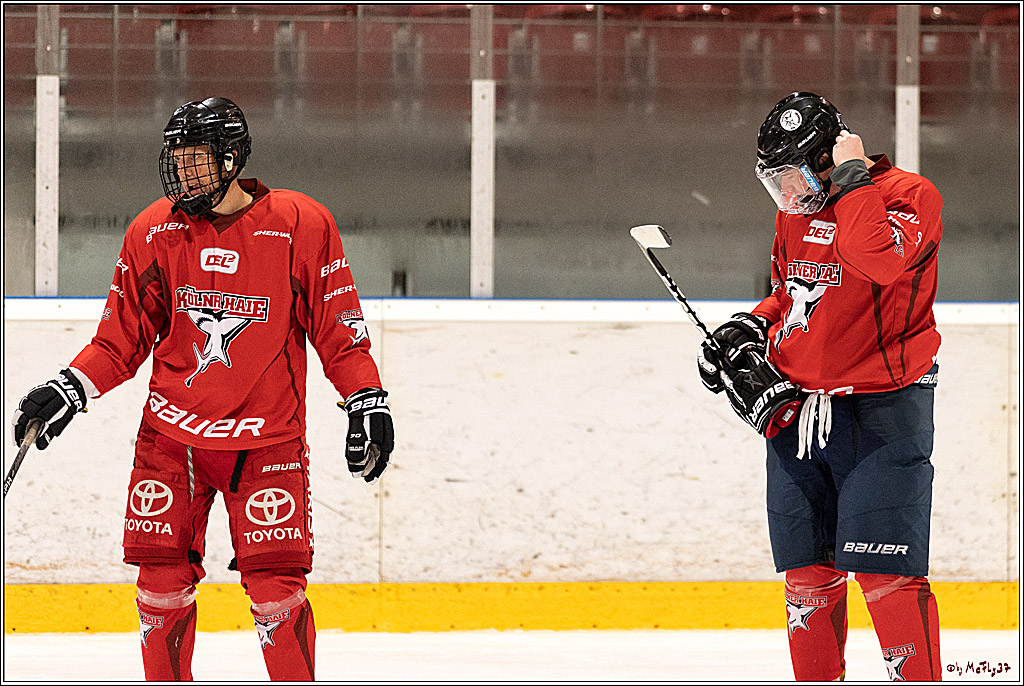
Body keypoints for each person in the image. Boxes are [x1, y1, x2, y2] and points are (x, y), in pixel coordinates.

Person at [11, 97, 394, 681]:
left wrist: (366, 401)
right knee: (159, 586)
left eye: (195, 159)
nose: (181, 172)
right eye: (176, 159)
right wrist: (71, 386)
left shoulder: (300, 224)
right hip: (171, 441)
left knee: (276, 590)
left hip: (266, 442)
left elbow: (338, 328)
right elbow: (121, 337)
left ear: (232, 160)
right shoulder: (153, 229)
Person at [697, 92, 942, 681]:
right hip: (801, 413)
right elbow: (791, 293)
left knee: (887, 575)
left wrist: (854, 179)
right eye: (775, 182)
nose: (787, 195)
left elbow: (875, 259)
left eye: (794, 177)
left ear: (831, 158)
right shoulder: (794, 212)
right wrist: (751, 324)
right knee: (807, 575)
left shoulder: (909, 197)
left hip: (884, 413)